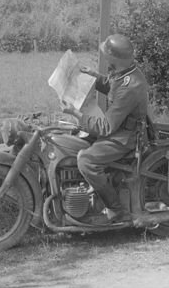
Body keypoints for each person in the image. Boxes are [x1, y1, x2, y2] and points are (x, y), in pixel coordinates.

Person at [61, 34, 149, 222]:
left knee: (86, 161)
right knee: (74, 141)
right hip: (118, 128)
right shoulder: (127, 72)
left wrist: (75, 113)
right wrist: (94, 76)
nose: (104, 55)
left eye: (106, 53)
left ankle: (116, 209)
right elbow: (113, 86)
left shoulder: (130, 86)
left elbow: (106, 126)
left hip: (125, 137)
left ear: (113, 58)